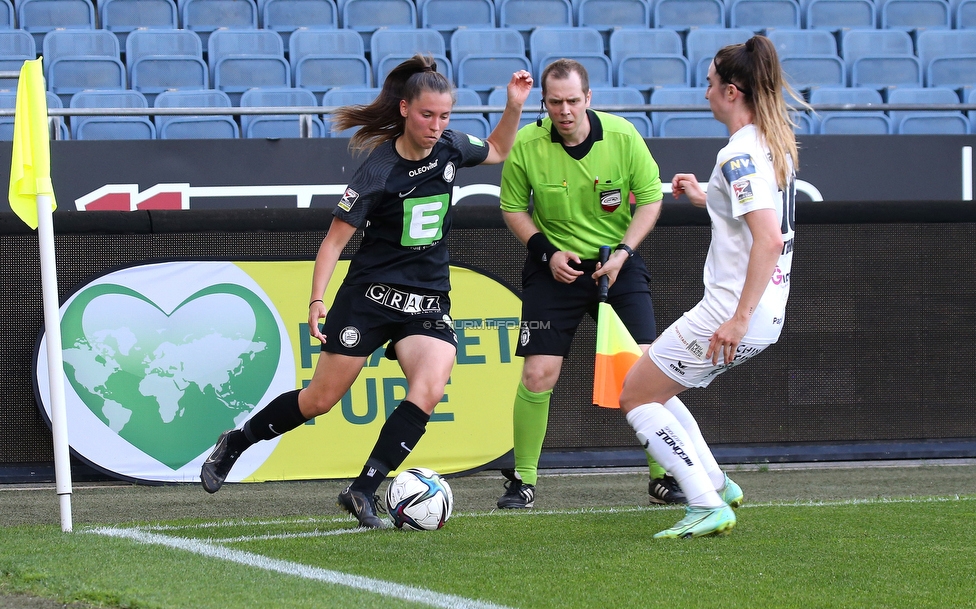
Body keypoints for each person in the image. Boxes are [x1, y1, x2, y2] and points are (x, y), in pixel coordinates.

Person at [200, 55, 534, 528]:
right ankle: (236, 442)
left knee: (431, 386)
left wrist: (514, 104)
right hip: (370, 298)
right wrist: (317, 301)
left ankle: (363, 490)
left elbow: (499, 149)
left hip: (427, 301)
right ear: (403, 109)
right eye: (426, 115)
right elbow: (333, 243)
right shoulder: (378, 171)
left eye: (444, 116)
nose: (437, 125)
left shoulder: (454, 146)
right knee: (319, 399)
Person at [619, 34, 801, 538]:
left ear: (733, 91)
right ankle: (717, 484)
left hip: (733, 311)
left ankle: (705, 502)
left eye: (710, 84)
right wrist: (708, 198)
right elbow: (753, 220)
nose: (705, 94)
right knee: (658, 383)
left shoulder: (737, 155)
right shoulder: (772, 141)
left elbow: (765, 238)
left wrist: (737, 318)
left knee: (634, 396)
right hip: (768, 313)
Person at [495, 58, 671, 509]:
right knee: (538, 374)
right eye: (555, 102)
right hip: (553, 268)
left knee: (646, 370)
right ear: (545, 103)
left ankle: (663, 476)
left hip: (618, 263)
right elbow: (513, 208)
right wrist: (547, 254)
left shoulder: (623, 135)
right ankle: (523, 480)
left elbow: (651, 199)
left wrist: (625, 254)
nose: (565, 110)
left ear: (588, 99)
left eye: (573, 100)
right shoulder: (527, 144)